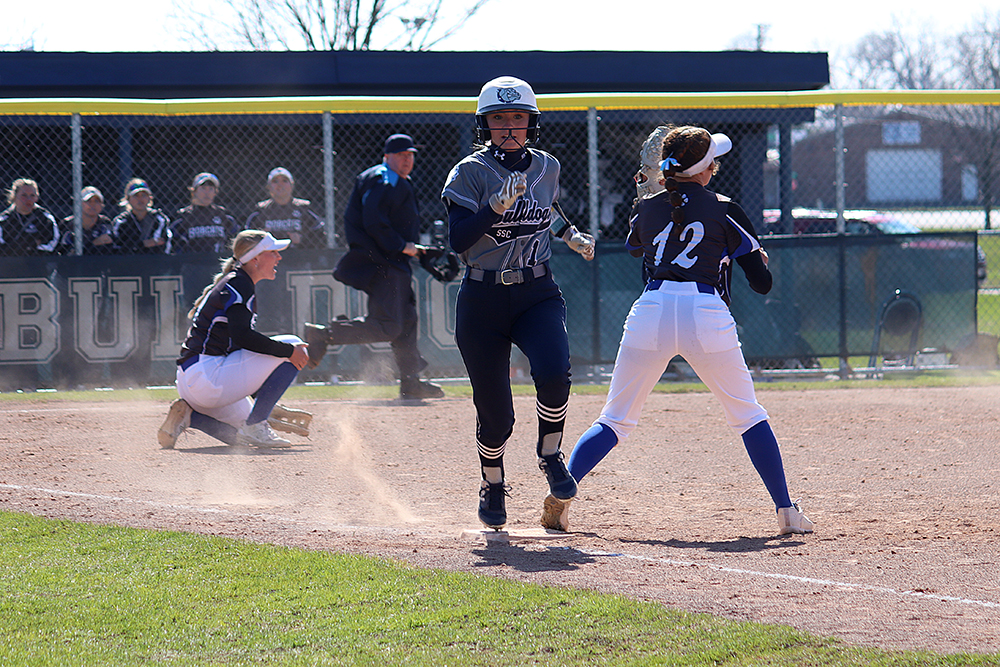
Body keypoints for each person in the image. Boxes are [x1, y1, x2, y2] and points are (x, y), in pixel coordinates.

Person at [545, 125, 814, 536]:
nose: (716, 167)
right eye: (712, 162)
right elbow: (761, 283)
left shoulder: (646, 209)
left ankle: (562, 495)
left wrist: (654, 200)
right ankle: (786, 510)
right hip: (705, 313)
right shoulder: (725, 208)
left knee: (614, 419)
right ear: (703, 170)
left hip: (651, 309)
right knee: (747, 415)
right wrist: (756, 257)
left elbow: (640, 246)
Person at [439, 76, 597, 530]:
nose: (509, 126)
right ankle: (492, 482)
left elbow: (548, 212)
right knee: (496, 415)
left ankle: (550, 453)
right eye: (499, 118)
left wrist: (570, 235)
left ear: (532, 122)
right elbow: (458, 239)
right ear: (484, 124)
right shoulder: (469, 172)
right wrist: (493, 210)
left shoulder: (547, 166)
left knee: (554, 372)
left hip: (535, 292)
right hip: (483, 298)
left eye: (518, 117)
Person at [303, 133, 444, 400]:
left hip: (392, 261)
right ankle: (324, 334)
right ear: (387, 156)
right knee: (389, 325)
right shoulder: (383, 178)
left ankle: (411, 383)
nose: (407, 160)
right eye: (401, 155)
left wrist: (415, 250)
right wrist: (402, 246)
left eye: (410, 155)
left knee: (407, 321)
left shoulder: (395, 179)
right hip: (382, 263)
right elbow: (374, 221)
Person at [157, 229, 311, 449]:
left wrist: (260, 395)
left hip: (193, 380)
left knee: (244, 440)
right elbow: (243, 336)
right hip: (208, 376)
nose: (278, 257)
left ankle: (191, 416)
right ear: (255, 258)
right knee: (294, 345)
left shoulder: (236, 281)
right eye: (273, 252)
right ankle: (257, 423)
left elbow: (238, 344)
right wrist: (289, 352)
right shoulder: (240, 283)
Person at [245, 167, 325, 248]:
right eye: (275, 181)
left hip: (299, 253)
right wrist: (259, 238)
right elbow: (245, 237)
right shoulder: (261, 211)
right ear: (268, 187)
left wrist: (302, 239)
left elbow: (320, 235)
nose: (280, 184)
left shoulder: (303, 209)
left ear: (292, 185)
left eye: (285, 181)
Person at [170, 172, 239, 254]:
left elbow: (235, 240)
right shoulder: (183, 217)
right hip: (189, 261)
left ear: (215, 192)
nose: (207, 192)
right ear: (194, 191)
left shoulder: (224, 216)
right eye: (203, 188)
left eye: (211, 189)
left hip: (218, 260)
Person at [0, 178, 60, 256]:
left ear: (37, 197)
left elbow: (53, 243)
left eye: (32, 195)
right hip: (10, 260)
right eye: (24, 195)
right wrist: (32, 243)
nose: (28, 199)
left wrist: (26, 246)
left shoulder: (45, 218)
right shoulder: (4, 219)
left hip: (39, 259)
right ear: (14, 197)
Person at [111, 178, 172, 254]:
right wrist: (144, 244)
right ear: (128, 199)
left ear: (149, 198)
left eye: (144, 195)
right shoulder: (120, 221)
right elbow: (117, 248)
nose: (140, 199)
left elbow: (161, 247)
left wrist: (134, 246)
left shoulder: (159, 219)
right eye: (136, 196)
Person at [58, 186, 116, 255]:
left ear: (102, 205)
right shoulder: (67, 224)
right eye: (88, 201)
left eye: (96, 201)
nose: (93, 205)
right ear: (79, 204)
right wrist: (93, 244)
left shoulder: (105, 223)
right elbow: (65, 252)